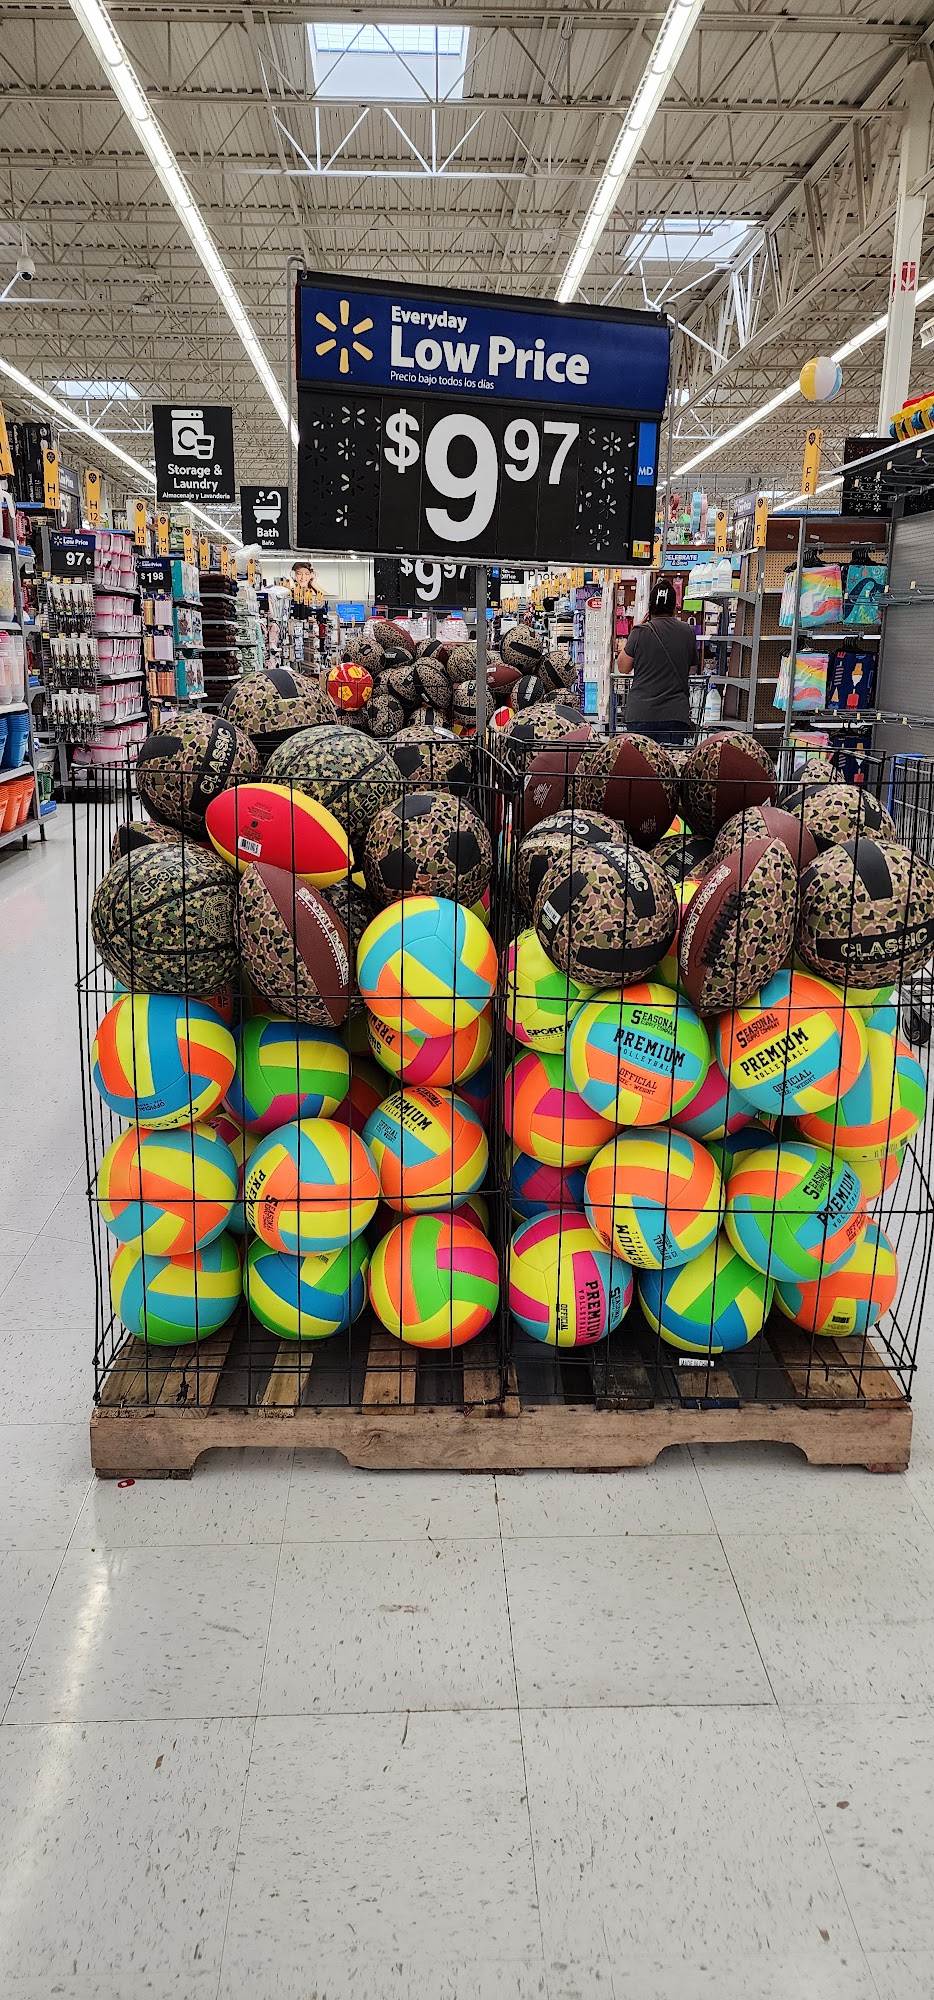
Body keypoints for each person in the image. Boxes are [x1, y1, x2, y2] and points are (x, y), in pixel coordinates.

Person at [617, 578, 697, 745]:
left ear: (650, 606)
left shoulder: (640, 631)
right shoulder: (687, 632)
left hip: (641, 713)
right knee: (671, 760)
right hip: (675, 714)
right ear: (674, 606)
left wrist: (638, 628)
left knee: (641, 759)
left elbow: (623, 667)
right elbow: (691, 670)